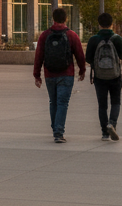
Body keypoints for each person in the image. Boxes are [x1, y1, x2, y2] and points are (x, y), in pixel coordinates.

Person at [33, 7, 86, 144]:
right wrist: (82, 70)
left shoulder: (44, 35)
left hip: (49, 74)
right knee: (63, 102)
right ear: (66, 19)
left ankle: (55, 128)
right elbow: (80, 54)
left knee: (53, 101)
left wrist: (37, 75)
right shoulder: (71, 35)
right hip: (66, 74)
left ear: (53, 19)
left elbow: (39, 56)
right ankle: (58, 131)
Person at [85, 12, 122, 141]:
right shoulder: (117, 39)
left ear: (99, 24)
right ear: (111, 23)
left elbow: (88, 58)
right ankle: (112, 124)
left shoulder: (94, 39)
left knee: (102, 105)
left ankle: (104, 132)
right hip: (115, 75)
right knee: (116, 102)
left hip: (99, 76)